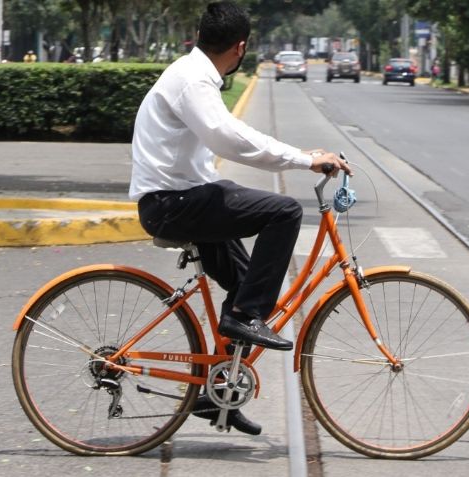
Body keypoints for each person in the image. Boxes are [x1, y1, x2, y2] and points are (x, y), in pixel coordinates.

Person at [129, 1, 350, 435]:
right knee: (284, 211)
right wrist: (304, 160)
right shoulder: (193, 80)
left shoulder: (194, 74)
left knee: (246, 282)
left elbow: (232, 134)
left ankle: (214, 397)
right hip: (173, 204)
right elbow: (229, 139)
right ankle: (246, 316)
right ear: (241, 47)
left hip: (188, 197)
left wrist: (302, 157)